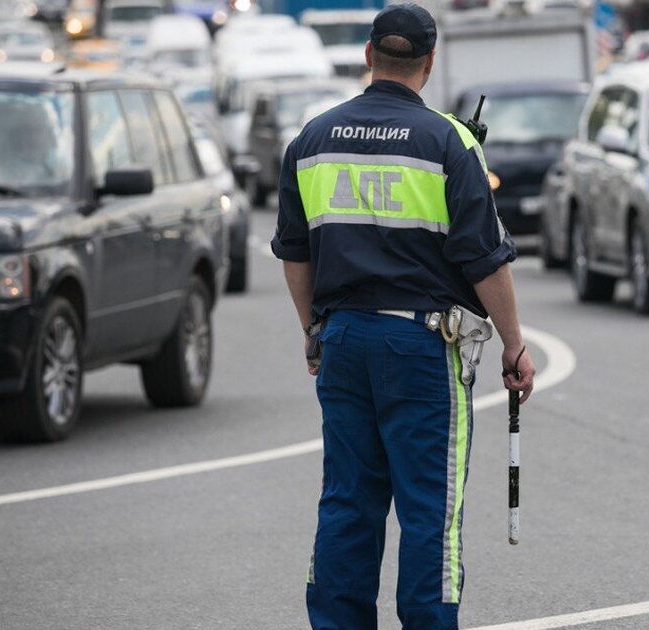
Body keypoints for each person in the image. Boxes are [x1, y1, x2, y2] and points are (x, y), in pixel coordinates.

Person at [270, 4, 536, 628]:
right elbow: (483, 259)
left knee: (347, 503)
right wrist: (514, 346)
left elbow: (294, 252)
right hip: (421, 350)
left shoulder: (311, 139)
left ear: (368, 55)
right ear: (430, 62)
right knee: (429, 511)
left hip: (343, 340)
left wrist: (314, 332)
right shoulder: (450, 140)